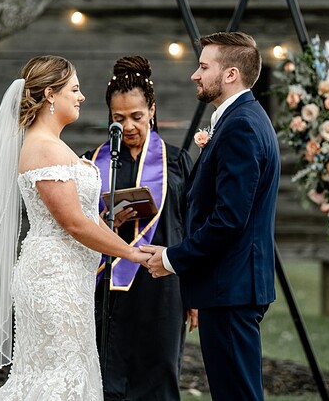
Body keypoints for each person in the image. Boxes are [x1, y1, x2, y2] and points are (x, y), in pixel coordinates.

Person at [0, 55, 152, 401]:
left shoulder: (54, 145)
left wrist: (117, 236)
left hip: (69, 278)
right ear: (50, 94)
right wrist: (131, 253)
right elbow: (73, 223)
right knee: (58, 378)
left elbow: (84, 217)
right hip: (53, 280)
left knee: (66, 373)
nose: (82, 96)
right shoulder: (44, 148)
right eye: (74, 89)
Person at [142, 32, 280, 401]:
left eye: (204, 67)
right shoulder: (241, 119)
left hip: (232, 287)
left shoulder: (242, 126)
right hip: (230, 285)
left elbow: (229, 219)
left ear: (231, 74)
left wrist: (172, 258)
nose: (195, 74)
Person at [84, 55, 197, 401]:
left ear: (152, 110)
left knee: (159, 377)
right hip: (107, 289)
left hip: (162, 288)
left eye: (136, 116)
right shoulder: (92, 164)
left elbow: (192, 228)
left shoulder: (176, 161)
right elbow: (79, 226)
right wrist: (105, 220)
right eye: (119, 118)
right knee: (108, 379)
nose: (129, 126)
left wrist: (195, 295)